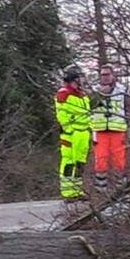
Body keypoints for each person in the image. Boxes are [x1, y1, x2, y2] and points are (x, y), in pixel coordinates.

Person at [90, 64, 130, 193]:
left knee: (119, 161)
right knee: (100, 160)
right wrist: (101, 94)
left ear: (113, 75)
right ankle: (100, 191)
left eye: (107, 74)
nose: (105, 77)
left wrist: (127, 123)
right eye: (103, 75)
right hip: (99, 130)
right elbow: (90, 105)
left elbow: (128, 108)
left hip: (118, 130)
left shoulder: (122, 89)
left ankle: (121, 190)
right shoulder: (94, 90)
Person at [54, 67, 91, 201]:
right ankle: (68, 193)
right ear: (73, 79)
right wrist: (68, 130)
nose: (82, 80)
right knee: (69, 162)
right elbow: (61, 114)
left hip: (83, 133)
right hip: (71, 134)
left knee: (80, 162)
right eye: (80, 77)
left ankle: (77, 190)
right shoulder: (64, 93)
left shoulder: (82, 94)